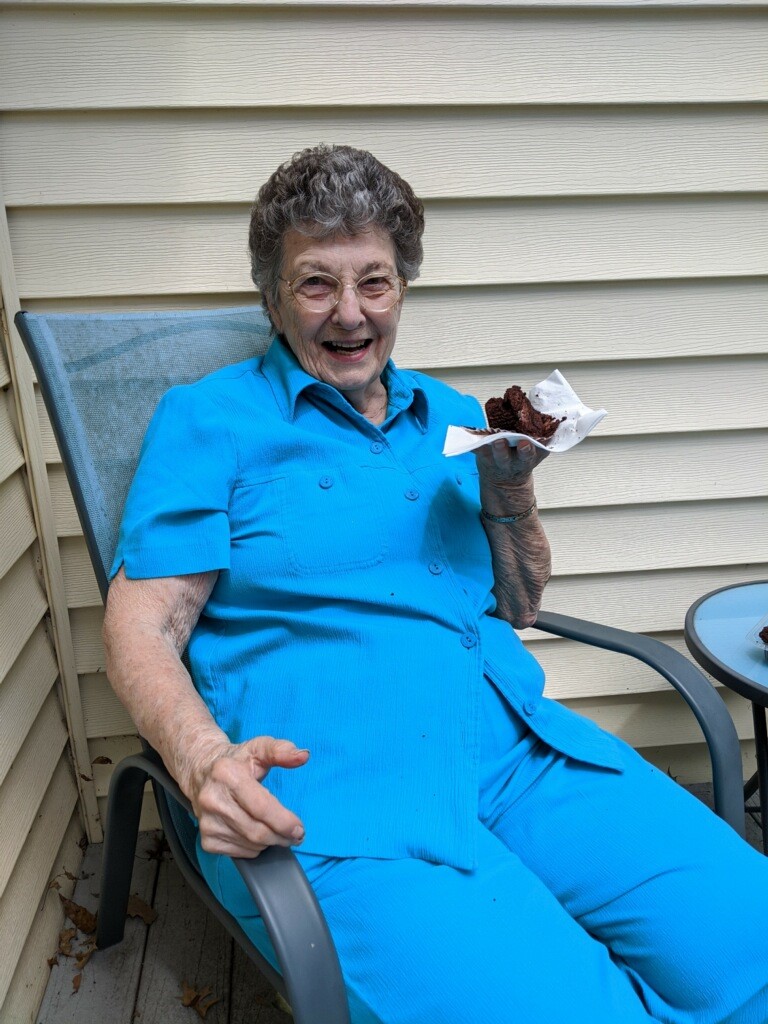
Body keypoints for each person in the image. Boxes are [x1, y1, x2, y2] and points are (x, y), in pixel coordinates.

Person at [103, 145, 768, 1024]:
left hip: (523, 756)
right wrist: (202, 762)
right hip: (339, 800)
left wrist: (512, 494)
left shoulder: (456, 419)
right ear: (272, 298)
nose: (350, 313)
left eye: (374, 282)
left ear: (403, 290)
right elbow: (143, 627)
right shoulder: (208, 421)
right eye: (316, 284)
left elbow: (518, 607)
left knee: (751, 943)